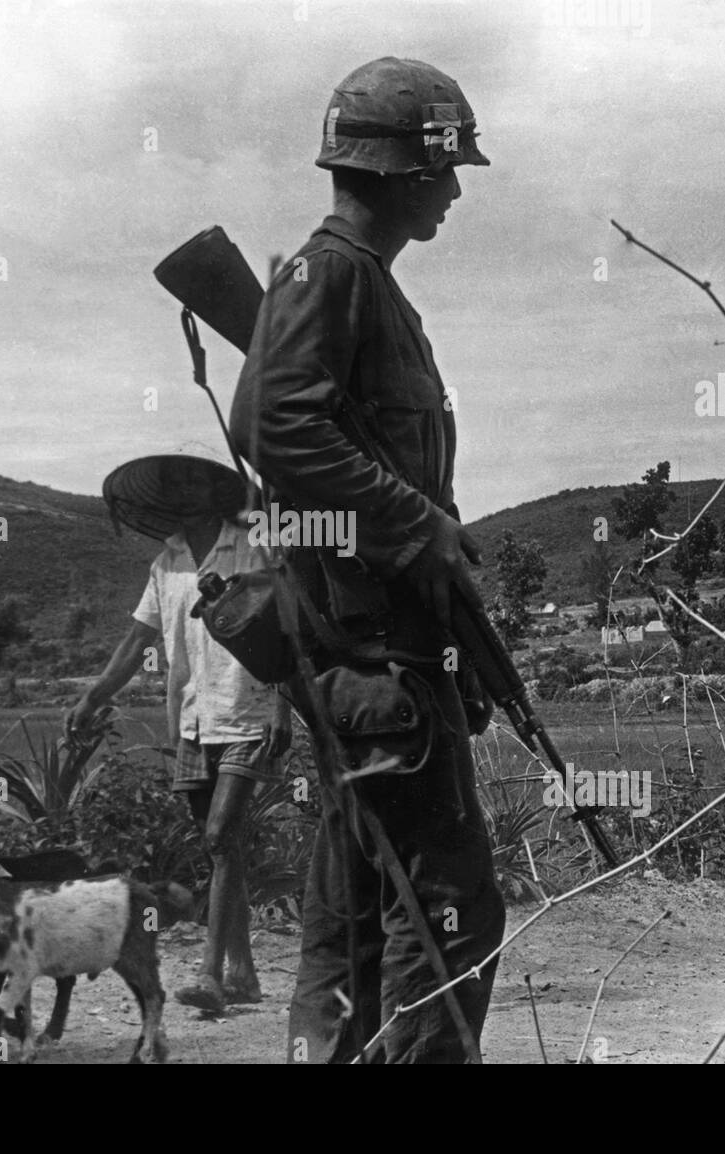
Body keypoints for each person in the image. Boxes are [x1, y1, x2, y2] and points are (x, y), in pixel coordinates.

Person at [228, 57, 505, 1063]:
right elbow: (274, 421)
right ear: (398, 171)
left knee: (352, 915)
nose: (457, 188)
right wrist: (416, 523)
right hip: (375, 662)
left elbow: (314, 433)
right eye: (445, 167)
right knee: (447, 916)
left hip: (371, 660)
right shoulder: (335, 274)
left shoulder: (359, 283)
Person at [65, 454, 292, 1014]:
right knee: (223, 848)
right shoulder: (166, 565)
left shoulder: (255, 546)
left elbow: (290, 626)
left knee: (219, 838)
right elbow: (137, 641)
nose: (188, 490)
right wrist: (94, 695)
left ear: (220, 489)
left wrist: (283, 706)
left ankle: (212, 975)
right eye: (177, 482)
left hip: (250, 707)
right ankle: (244, 973)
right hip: (191, 716)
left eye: (198, 478)